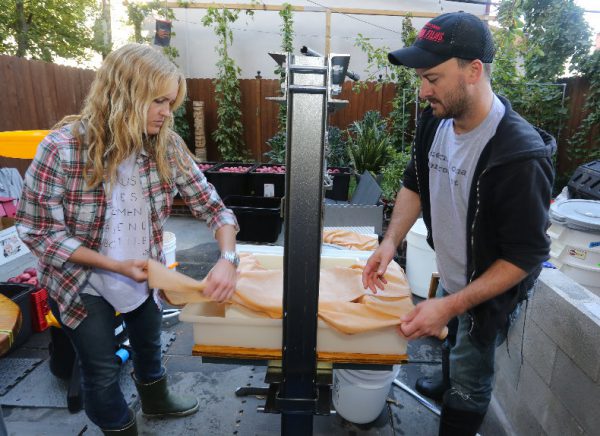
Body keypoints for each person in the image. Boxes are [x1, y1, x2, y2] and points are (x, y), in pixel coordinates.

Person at [16, 43, 240, 436]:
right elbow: (38, 232)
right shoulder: (62, 150)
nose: (167, 113)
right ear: (123, 94)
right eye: (158, 100)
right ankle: (121, 427)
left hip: (145, 277)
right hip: (80, 284)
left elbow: (213, 207)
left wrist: (227, 257)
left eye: (171, 102)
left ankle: (155, 399)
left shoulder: (165, 146)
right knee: (100, 373)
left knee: (149, 345)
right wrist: (114, 265)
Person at [362, 11, 555, 436]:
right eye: (420, 78)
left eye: (432, 77)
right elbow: (415, 182)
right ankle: (446, 379)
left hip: (486, 286)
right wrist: (390, 243)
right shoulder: (436, 120)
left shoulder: (519, 156)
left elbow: (526, 256)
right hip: (451, 268)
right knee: (451, 342)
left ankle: (459, 411)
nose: (423, 90)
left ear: (474, 70)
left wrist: (450, 305)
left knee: (470, 370)